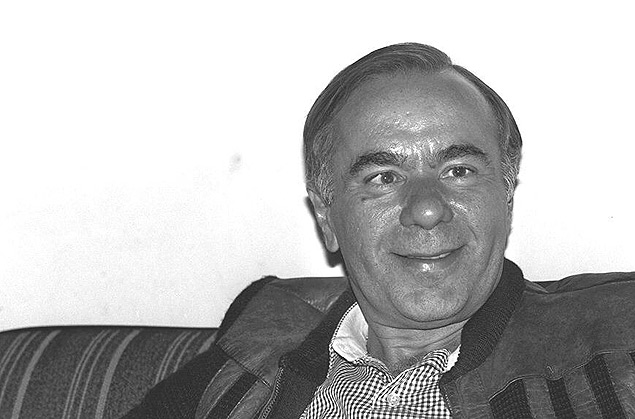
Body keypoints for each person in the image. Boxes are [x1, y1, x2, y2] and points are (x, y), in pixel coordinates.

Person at [123, 43, 635, 418]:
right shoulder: (258, 343)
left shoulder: (616, 344)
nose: (427, 210)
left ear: (506, 194)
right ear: (327, 217)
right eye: (383, 177)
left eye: (458, 170)